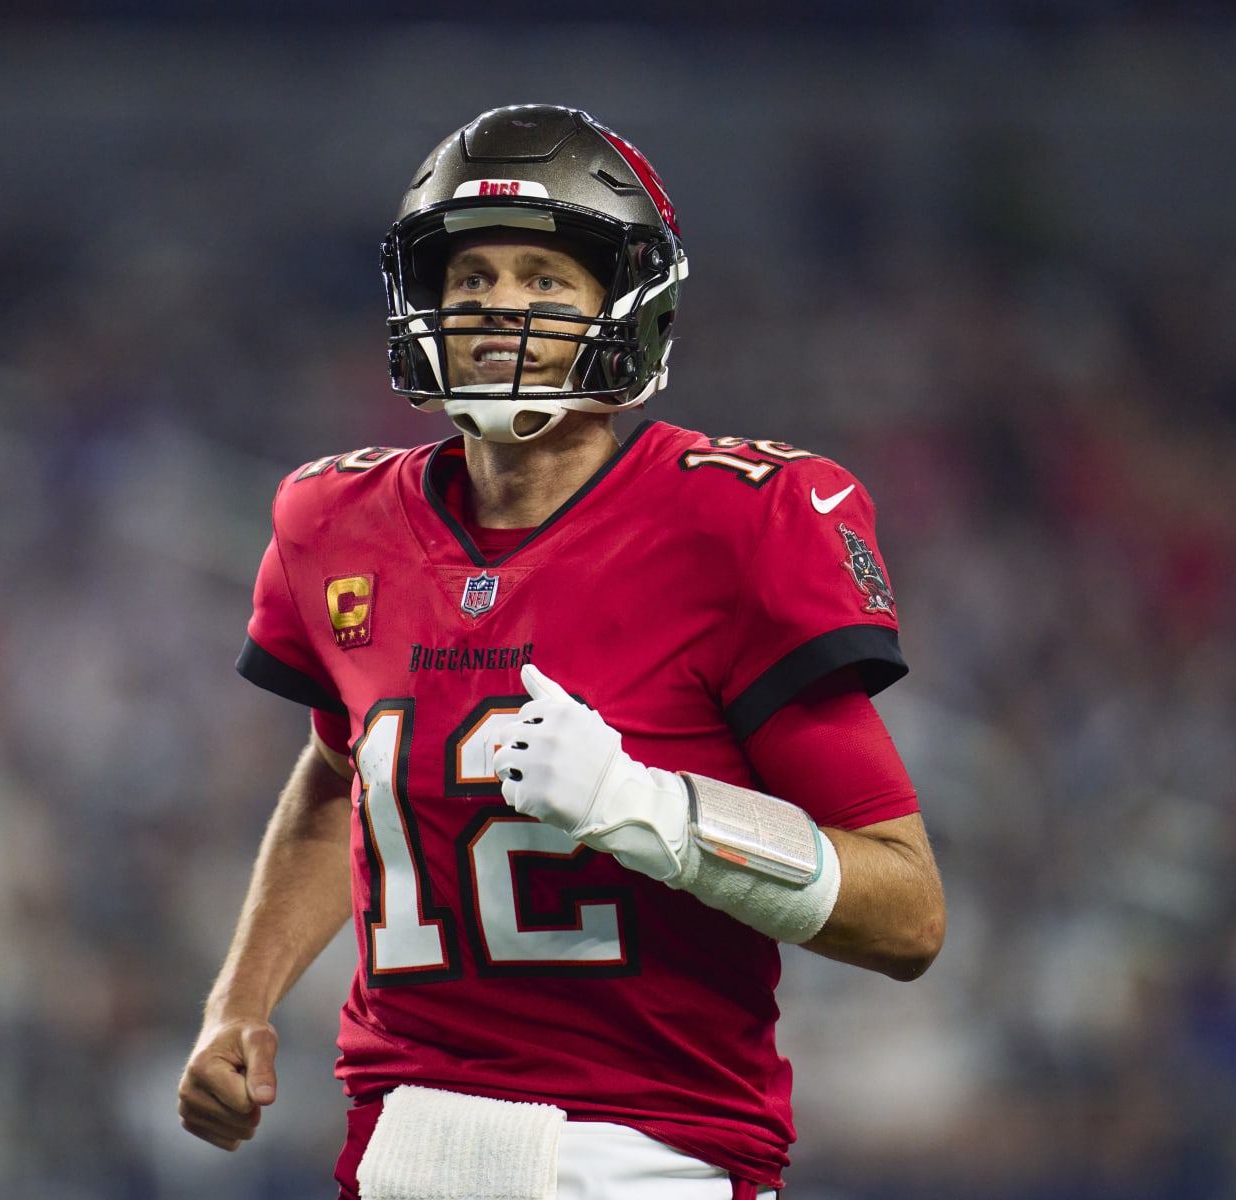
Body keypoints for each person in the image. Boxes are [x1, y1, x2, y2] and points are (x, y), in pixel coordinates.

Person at [178, 103, 946, 1200]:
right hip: (396, 1146)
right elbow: (342, 770)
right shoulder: (329, 520)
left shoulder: (734, 526)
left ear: (627, 303)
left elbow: (909, 914)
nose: (501, 306)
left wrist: (654, 814)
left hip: (651, 1156)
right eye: (473, 275)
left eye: (546, 278)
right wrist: (237, 1004)